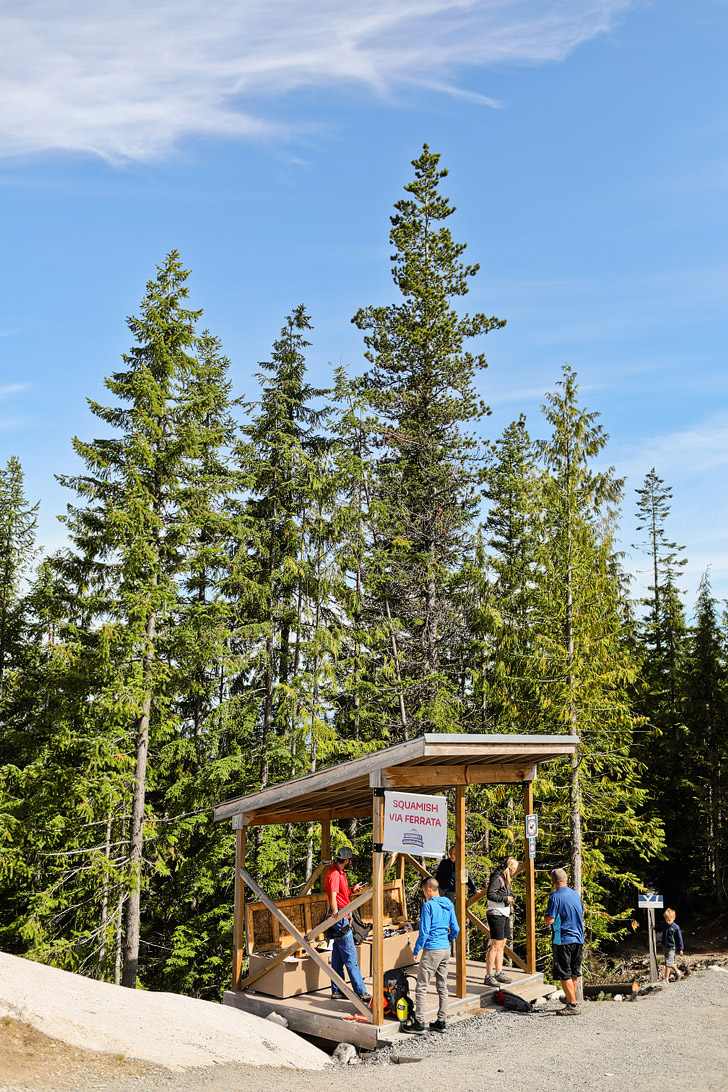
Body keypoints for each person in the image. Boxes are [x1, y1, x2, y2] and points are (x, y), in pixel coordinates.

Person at [401, 876, 460, 1035]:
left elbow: (424, 932)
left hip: (432, 950)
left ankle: (419, 1022)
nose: (424, 895)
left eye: (423, 892)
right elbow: (455, 928)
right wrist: (449, 939)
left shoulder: (428, 906)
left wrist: (416, 950)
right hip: (445, 949)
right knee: (442, 985)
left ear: (428, 889)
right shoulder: (449, 904)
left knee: (422, 986)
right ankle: (441, 1021)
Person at [324, 847, 371, 1003]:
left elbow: (340, 895)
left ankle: (337, 990)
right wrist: (337, 914)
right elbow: (333, 895)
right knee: (351, 958)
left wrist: (352, 890)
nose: (350, 862)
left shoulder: (337, 872)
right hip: (342, 918)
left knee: (337, 958)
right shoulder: (335, 875)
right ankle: (361, 991)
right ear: (346, 860)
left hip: (341, 915)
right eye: (350, 859)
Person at [544, 867, 584, 1016]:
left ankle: (572, 1005)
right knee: (573, 971)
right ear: (566, 880)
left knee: (563, 973)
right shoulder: (575, 894)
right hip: (578, 938)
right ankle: (570, 998)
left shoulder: (554, 897)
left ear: (553, 882)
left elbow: (550, 920)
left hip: (563, 939)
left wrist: (545, 916)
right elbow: (582, 910)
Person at [483, 857, 521, 986]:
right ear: (510, 868)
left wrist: (512, 896)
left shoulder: (505, 879)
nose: (515, 871)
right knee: (495, 945)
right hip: (495, 913)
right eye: (514, 868)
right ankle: (489, 975)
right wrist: (505, 899)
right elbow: (490, 894)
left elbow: (506, 892)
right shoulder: (497, 877)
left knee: (502, 944)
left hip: (504, 913)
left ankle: (498, 972)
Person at [660, 908, 684, 982]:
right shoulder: (664, 924)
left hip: (672, 947)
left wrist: (681, 949)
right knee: (670, 962)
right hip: (665, 945)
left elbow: (680, 939)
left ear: (673, 918)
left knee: (668, 963)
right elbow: (659, 927)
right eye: (666, 920)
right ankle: (678, 972)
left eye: (669, 920)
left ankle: (666, 979)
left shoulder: (676, 927)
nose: (667, 921)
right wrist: (654, 927)